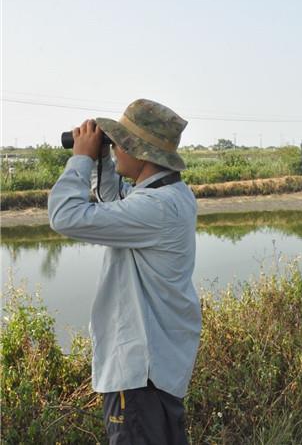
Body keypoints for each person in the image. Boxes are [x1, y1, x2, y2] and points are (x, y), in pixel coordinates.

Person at [48, 99, 201, 444]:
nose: (114, 148)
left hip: (138, 375)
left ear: (139, 151)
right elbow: (116, 202)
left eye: (119, 143)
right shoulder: (172, 195)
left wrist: (81, 159)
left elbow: (65, 216)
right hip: (157, 369)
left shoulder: (155, 208)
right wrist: (101, 159)